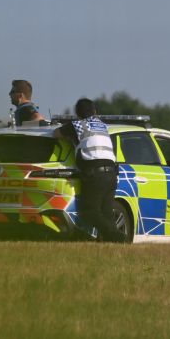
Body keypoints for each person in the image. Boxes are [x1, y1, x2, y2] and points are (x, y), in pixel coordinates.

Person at [54, 98, 126, 243]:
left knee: (89, 212)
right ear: (94, 112)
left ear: (78, 115)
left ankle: (117, 236)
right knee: (106, 213)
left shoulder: (77, 125)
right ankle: (113, 244)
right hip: (112, 173)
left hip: (95, 174)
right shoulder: (103, 126)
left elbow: (56, 133)